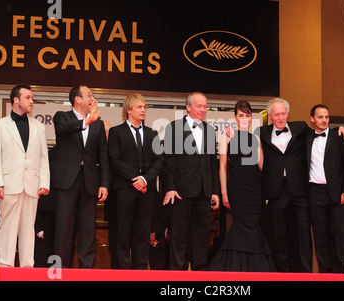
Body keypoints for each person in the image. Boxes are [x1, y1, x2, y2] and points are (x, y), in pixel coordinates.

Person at [255, 98, 344, 272]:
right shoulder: (261, 132)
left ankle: (306, 272)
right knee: (279, 234)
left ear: (288, 114)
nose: (281, 117)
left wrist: (340, 128)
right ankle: (282, 272)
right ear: (270, 116)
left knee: (304, 233)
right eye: (277, 114)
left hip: (300, 189)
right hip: (276, 190)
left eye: (283, 113)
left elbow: (322, 129)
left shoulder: (301, 128)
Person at [208, 100, 276, 272]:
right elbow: (222, 167)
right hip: (237, 190)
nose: (244, 118)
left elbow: (263, 167)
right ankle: (235, 268)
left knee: (253, 227)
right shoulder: (227, 136)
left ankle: (251, 269)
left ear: (251, 118)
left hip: (255, 191)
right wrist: (223, 193)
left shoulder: (256, 139)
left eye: (247, 115)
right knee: (241, 227)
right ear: (235, 117)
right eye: (241, 115)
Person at [0, 84, 50, 267]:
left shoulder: (39, 126)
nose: (32, 101)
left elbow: (43, 157)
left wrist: (44, 182)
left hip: (31, 184)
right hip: (8, 184)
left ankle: (27, 267)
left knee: (28, 229)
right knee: (7, 227)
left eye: (32, 98)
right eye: (28, 97)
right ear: (16, 100)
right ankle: (5, 266)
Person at [52, 85, 110, 268]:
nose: (92, 99)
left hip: (89, 182)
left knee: (88, 229)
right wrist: (86, 122)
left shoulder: (99, 124)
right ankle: (59, 271)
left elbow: (103, 156)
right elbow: (63, 130)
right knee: (64, 230)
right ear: (77, 99)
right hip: (67, 182)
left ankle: (87, 272)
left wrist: (104, 183)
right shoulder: (62, 116)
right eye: (89, 95)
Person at [162, 92, 220, 271]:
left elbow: (212, 163)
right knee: (179, 236)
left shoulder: (210, 130)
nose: (203, 109)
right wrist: (170, 187)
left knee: (202, 236)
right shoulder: (174, 127)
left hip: (204, 191)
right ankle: (177, 276)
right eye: (199, 106)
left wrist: (215, 191)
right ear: (188, 107)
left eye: (205, 106)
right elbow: (168, 160)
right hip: (181, 191)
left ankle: (200, 272)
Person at [108, 93, 163, 269]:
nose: (143, 110)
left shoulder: (152, 133)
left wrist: (145, 179)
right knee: (123, 233)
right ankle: (123, 271)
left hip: (147, 191)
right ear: (129, 109)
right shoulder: (116, 132)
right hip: (125, 189)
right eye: (139, 107)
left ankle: (140, 269)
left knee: (144, 232)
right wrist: (136, 179)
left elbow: (159, 160)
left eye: (145, 107)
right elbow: (114, 160)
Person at [306, 104, 344, 273]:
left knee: (342, 237)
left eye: (327, 117)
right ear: (312, 119)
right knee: (320, 237)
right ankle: (325, 275)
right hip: (315, 193)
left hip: (338, 194)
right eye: (320, 117)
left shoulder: (339, 136)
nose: (324, 120)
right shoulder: (305, 138)